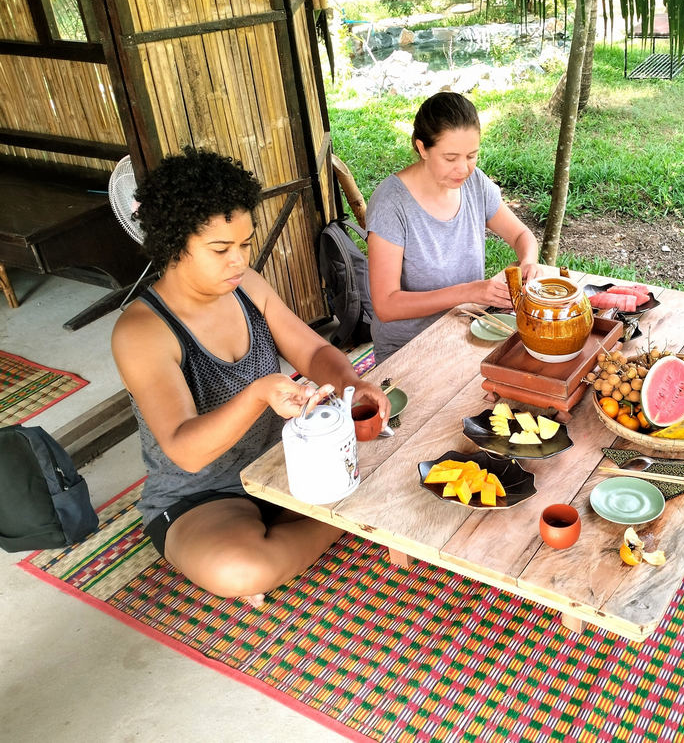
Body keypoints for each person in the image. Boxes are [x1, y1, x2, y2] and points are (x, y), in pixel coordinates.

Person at [111, 148, 390, 606]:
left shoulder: (247, 287)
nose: (238, 261)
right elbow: (184, 450)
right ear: (173, 242)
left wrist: (352, 383)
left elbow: (315, 349)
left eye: (245, 244)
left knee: (385, 432)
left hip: (282, 462)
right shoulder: (142, 331)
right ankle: (350, 511)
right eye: (221, 249)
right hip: (204, 495)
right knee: (240, 569)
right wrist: (258, 394)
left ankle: (316, 516)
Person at [366, 91, 541, 362]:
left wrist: (528, 261)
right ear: (422, 148)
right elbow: (386, 305)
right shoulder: (391, 204)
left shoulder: (475, 184)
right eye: (450, 158)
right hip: (410, 351)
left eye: (472, 156)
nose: (463, 169)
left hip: (471, 332)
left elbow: (520, 234)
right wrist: (471, 291)